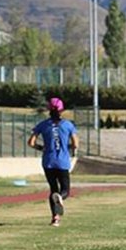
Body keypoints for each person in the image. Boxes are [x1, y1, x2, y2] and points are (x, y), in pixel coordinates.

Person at [27, 97, 78, 227]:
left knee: (53, 189)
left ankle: (55, 218)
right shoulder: (68, 125)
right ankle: (61, 197)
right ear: (62, 110)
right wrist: (70, 150)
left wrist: (42, 148)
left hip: (48, 161)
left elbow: (31, 143)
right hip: (62, 162)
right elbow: (75, 144)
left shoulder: (43, 125)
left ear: (49, 109)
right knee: (65, 189)